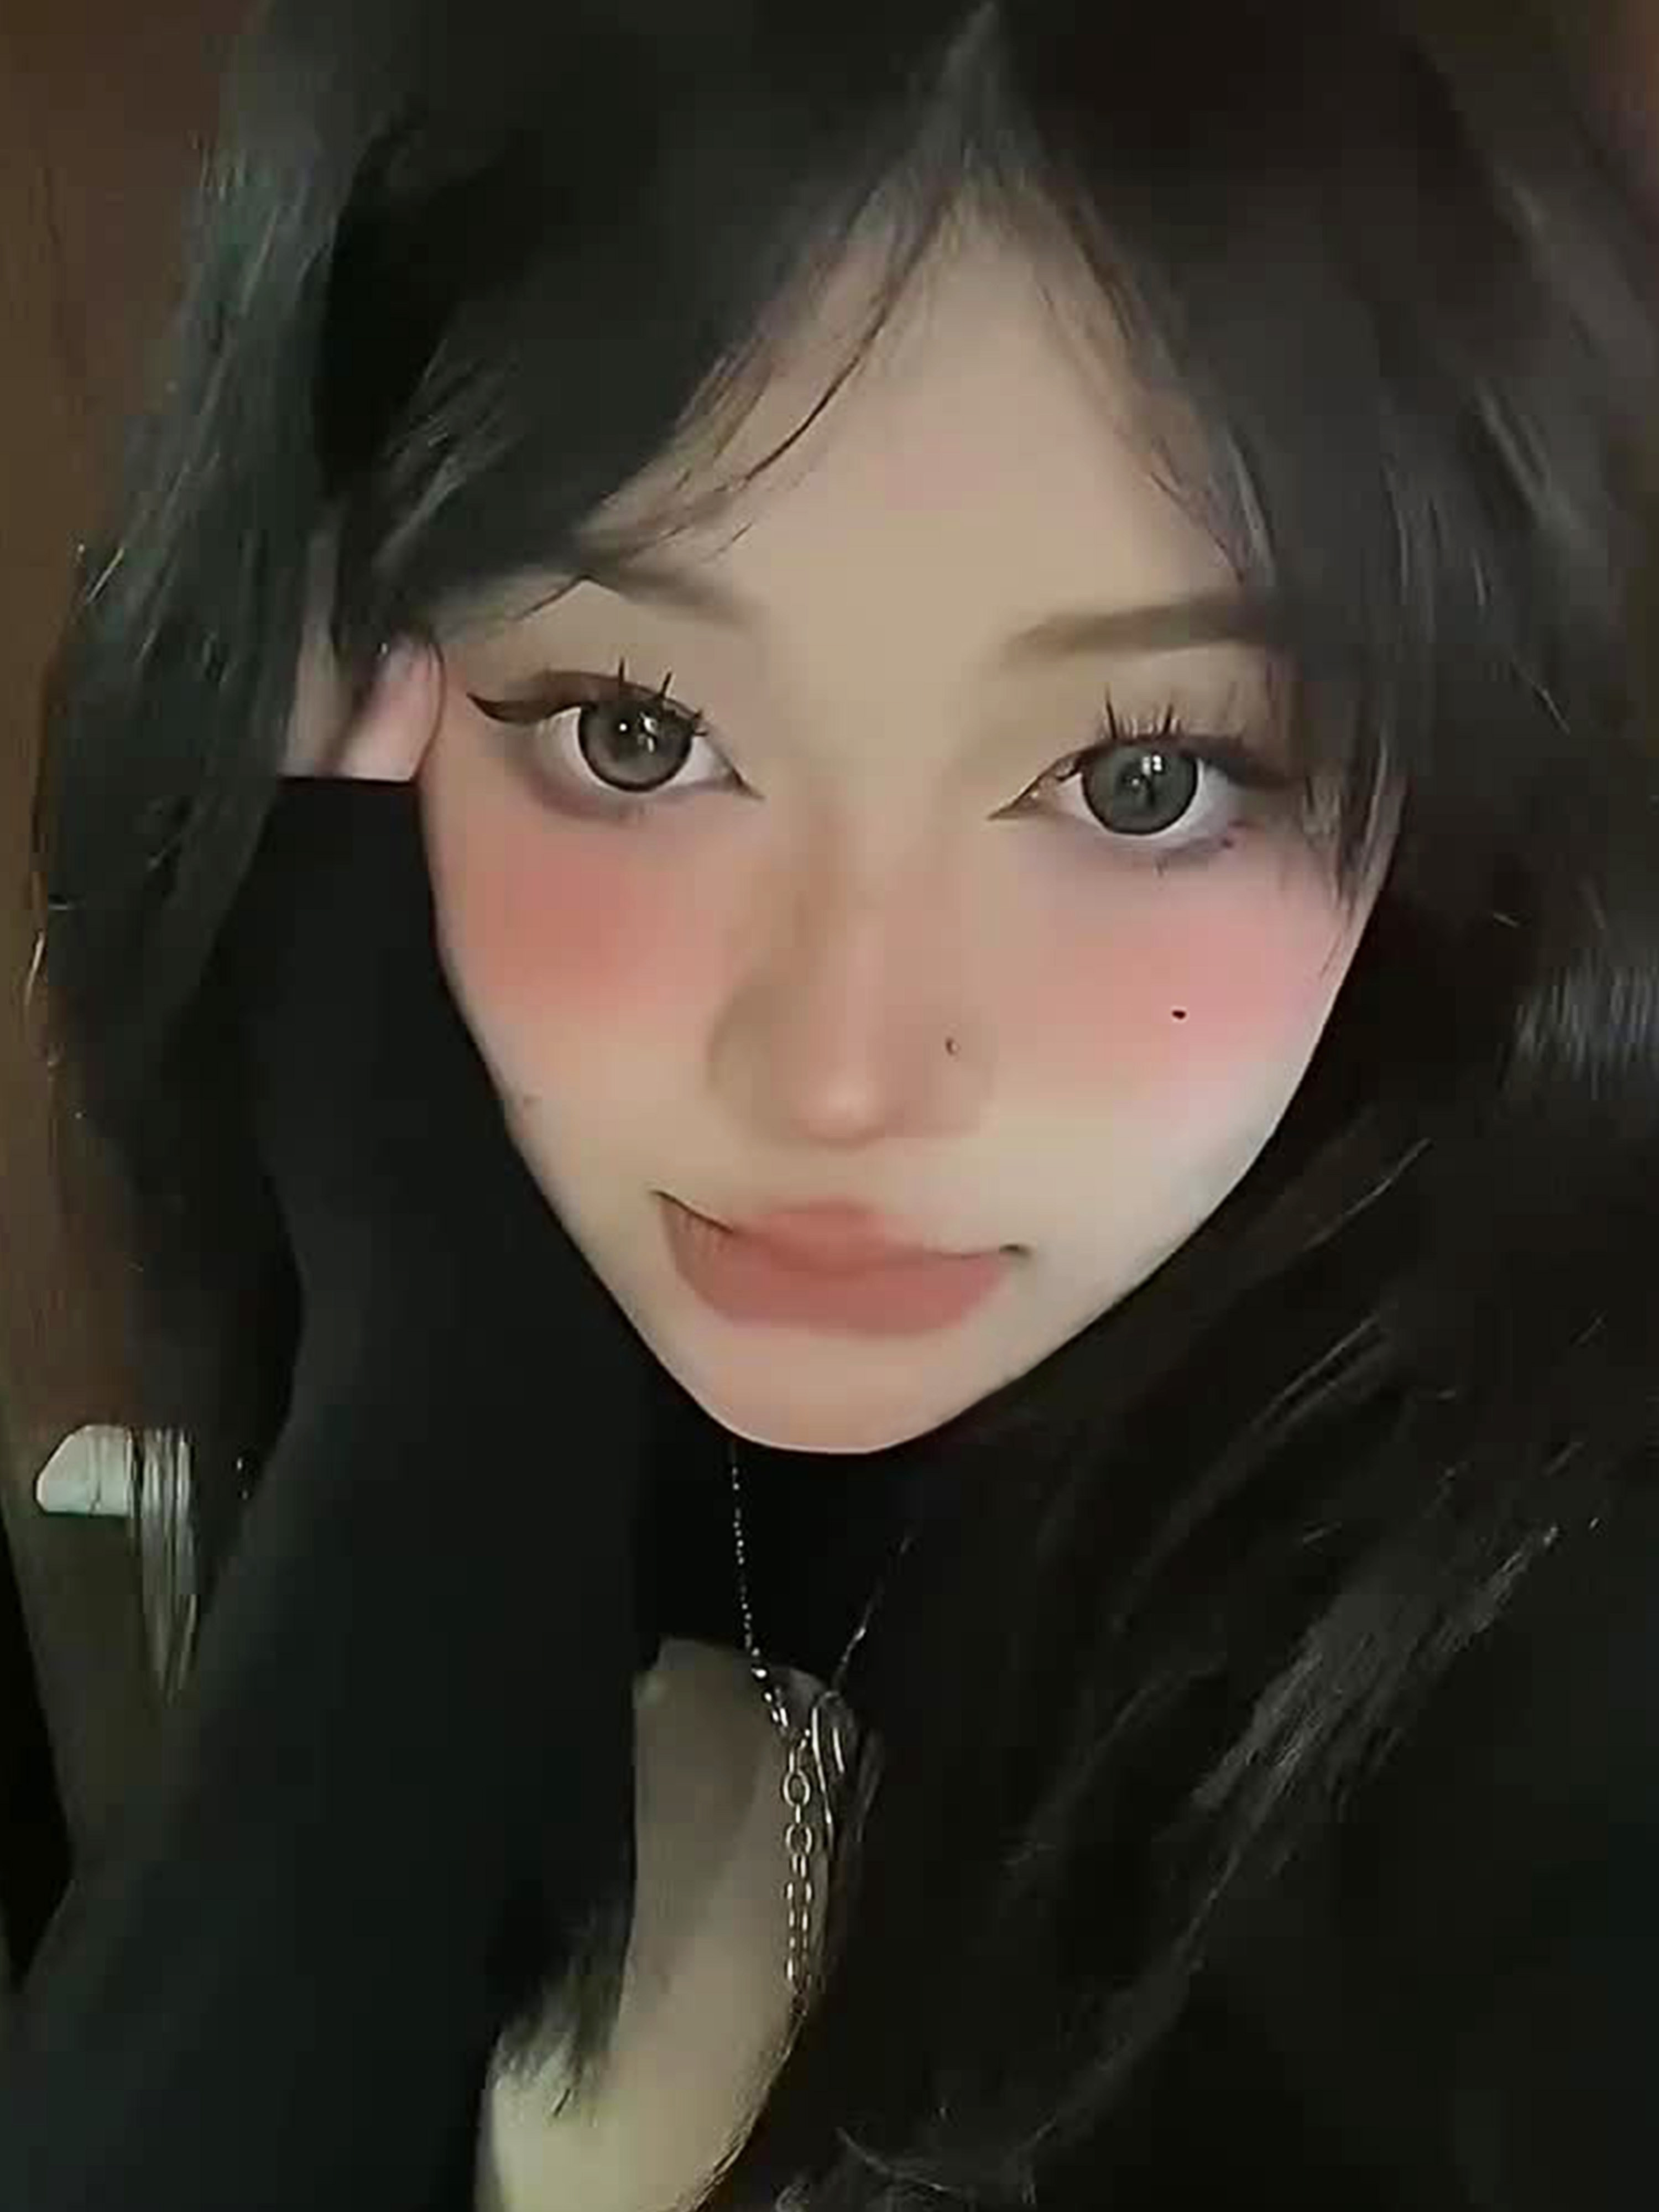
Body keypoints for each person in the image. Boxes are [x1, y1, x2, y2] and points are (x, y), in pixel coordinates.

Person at [3, 1, 1659, 2206]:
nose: (842, 1078)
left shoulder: (1563, 1621)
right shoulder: (423, 1186)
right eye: (630, 731)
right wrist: (430, 1420)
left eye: (1145, 777)